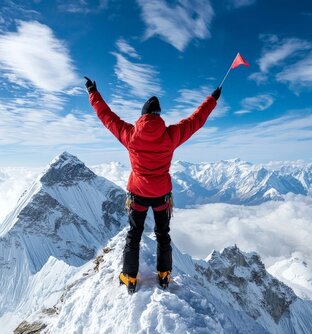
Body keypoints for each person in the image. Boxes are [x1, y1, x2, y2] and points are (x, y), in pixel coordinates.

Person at [85, 76, 221, 293]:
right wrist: (212, 99)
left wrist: (93, 92)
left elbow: (107, 117)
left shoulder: (130, 135)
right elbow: (196, 120)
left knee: (134, 234)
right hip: (162, 196)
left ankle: (130, 276)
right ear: (159, 115)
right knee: (163, 234)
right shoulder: (170, 136)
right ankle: (164, 274)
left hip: (137, 193)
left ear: (142, 115)